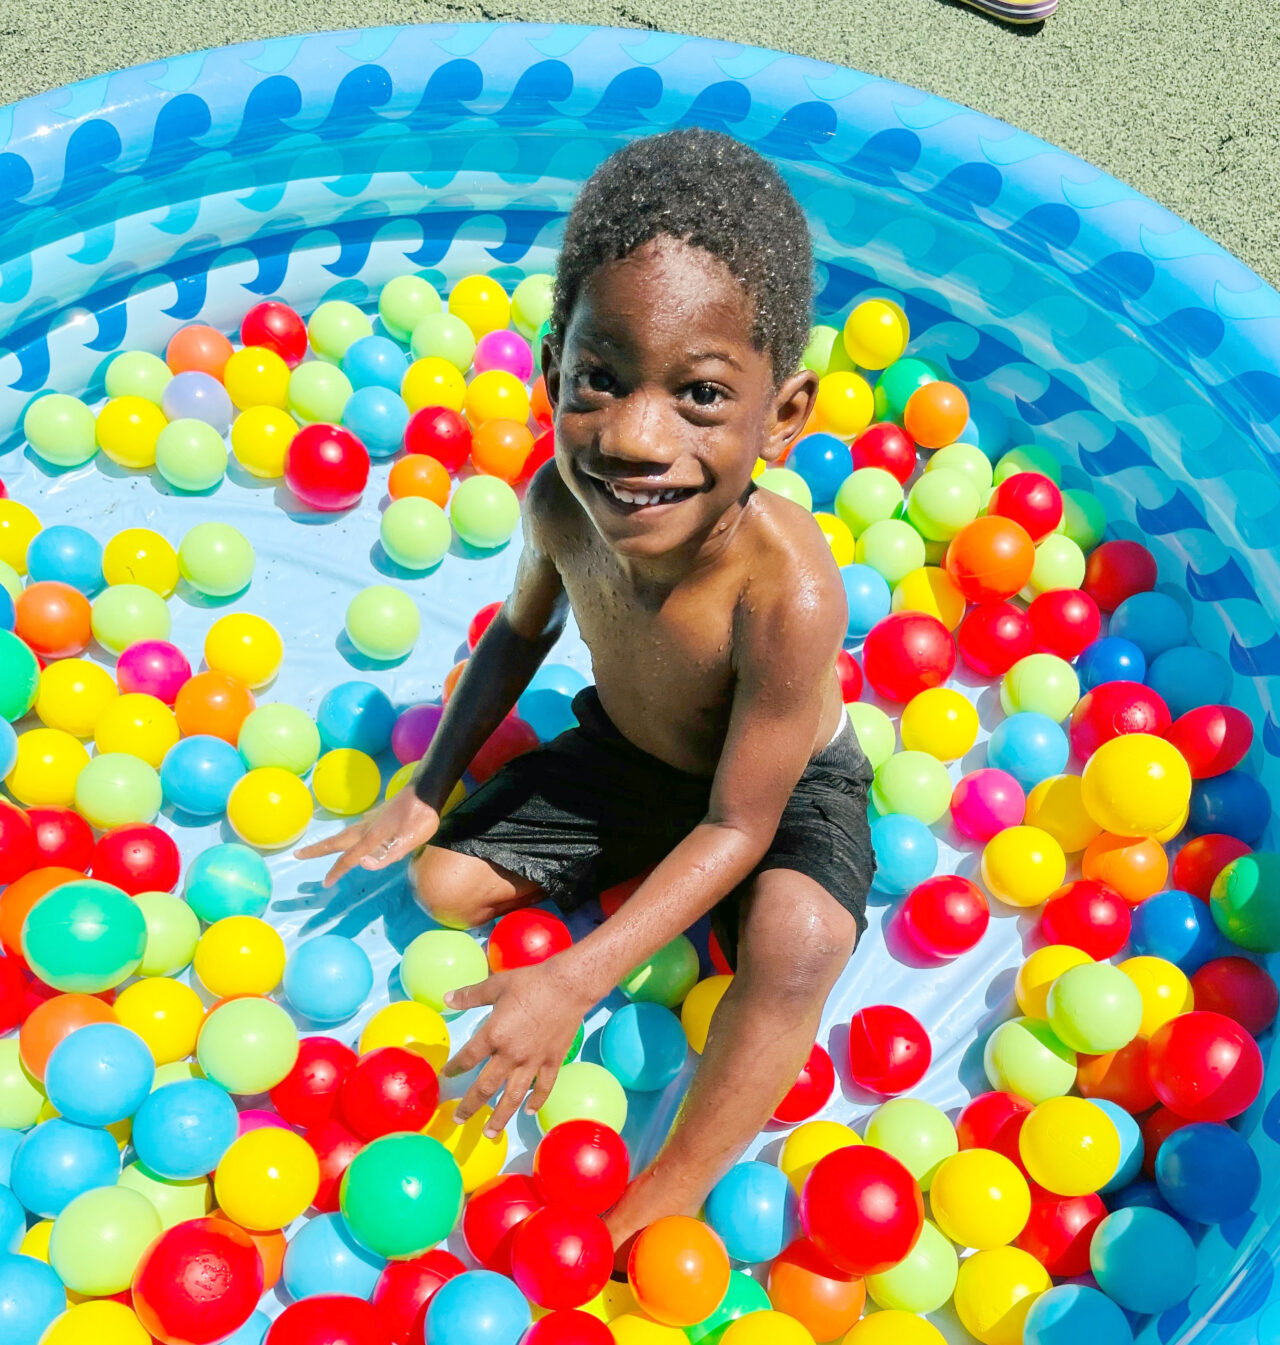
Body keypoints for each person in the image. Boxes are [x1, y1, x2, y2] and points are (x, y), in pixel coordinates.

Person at [298, 127, 875, 1252]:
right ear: (551, 358)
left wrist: (571, 978)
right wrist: (428, 784)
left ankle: (661, 1195)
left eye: (701, 395)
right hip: (635, 759)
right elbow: (519, 635)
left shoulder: (787, 590)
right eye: (596, 380)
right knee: (442, 885)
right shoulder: (559, 505)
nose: (631, 438)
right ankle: (654, 900)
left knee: (799, 939)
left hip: (771, 794)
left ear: (785, 413)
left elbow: (740, 819)